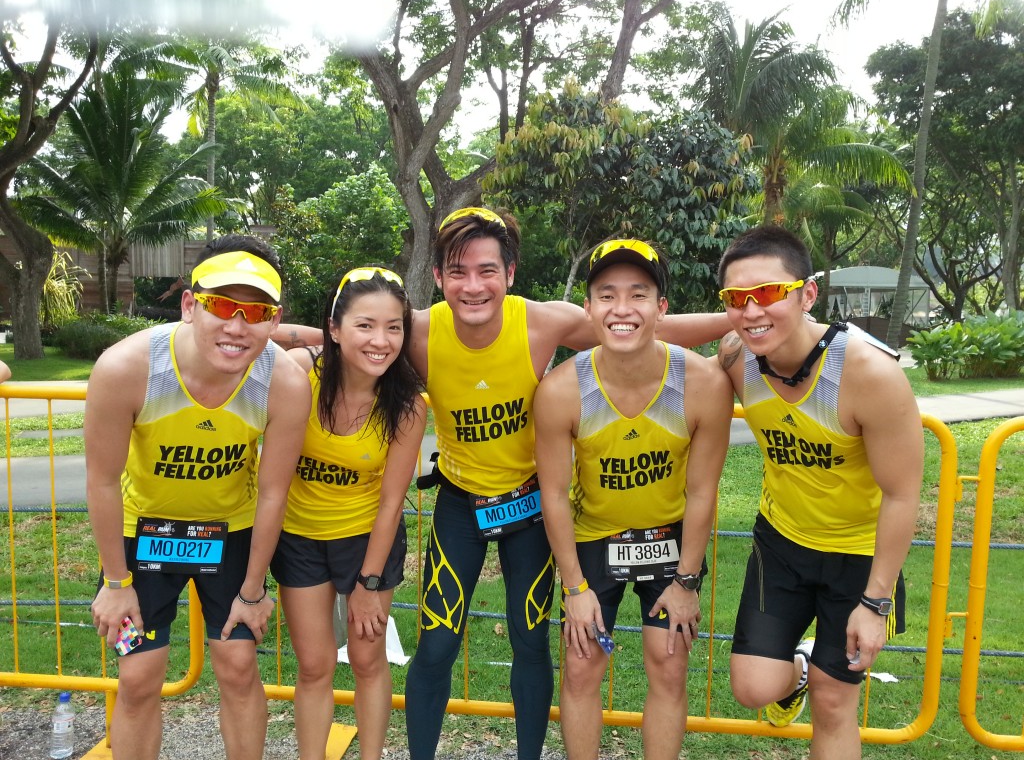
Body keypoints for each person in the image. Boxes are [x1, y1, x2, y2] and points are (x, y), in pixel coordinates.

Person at [276, 207, 730, 759]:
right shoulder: (414, 330)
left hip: (531, 507)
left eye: (487, 270)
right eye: (458, 271)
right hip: (460, 505)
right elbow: (348, 329)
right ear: (439, 277)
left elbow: (655, 325)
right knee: (438, 645)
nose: (473, 286)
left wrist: (742, 322)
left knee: (530, 642)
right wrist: (242, 328)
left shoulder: (542, 322)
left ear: (510, 273)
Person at [85, 235, 311, 760]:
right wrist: (116, 584)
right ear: (190, 305)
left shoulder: (284, 383)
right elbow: (101, 481)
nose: (237, 326)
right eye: (221, 306)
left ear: (274, 321)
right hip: (140, 537)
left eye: (255, 312)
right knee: (137, 674)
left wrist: (254, 589)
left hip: (229, 535)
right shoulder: (127, 368)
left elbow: (274, 493)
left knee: (237, 668)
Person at [716, 226, 923, 760]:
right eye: (737, 299)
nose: (752, 310)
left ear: (808, 294)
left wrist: (875, 604)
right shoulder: (737, 357)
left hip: (858, 554)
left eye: (767, 293)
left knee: (835, 705)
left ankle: (822, 677)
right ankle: (801, 670)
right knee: (752, 688)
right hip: (782, 541)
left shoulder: (869, 374)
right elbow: (655, 330)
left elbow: (903, 495)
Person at [532, 239, 733, 759]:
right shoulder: (560, 390)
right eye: (607, 295)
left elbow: (702, 490)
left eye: (638, 295)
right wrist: (573, 586)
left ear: (661, 308)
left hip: (671, 542)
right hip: (596, 539)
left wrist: (687, 581)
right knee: (581, 666)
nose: (622, 309)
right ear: (590, 309)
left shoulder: (704, 383)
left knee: (669, 665)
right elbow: (552, 494)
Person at [270, 267, 427, 760]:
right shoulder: (300, 371)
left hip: (367, 539)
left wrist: (370, 583)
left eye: (394, 326)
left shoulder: (407, 405)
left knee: (366, 659)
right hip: (298, 538)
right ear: (334, 330)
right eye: (365, 325)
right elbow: (249, 334)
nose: (381, 341)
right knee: (314, 665)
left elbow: (390, 501)